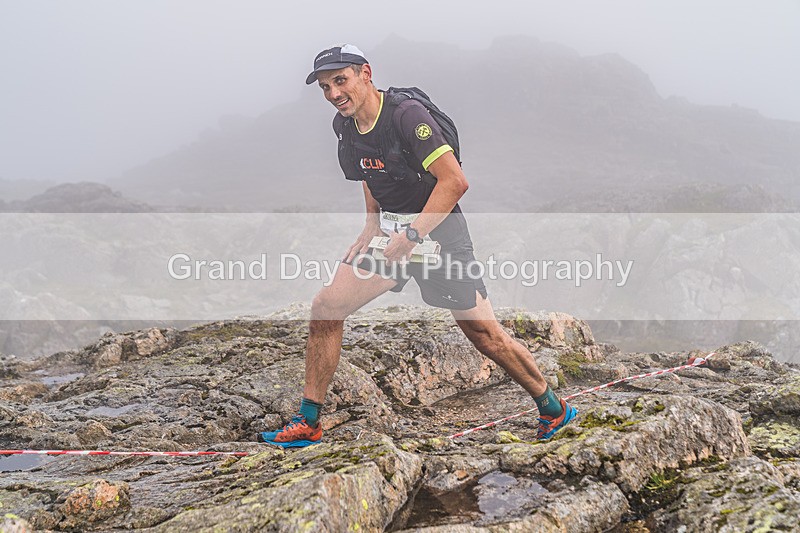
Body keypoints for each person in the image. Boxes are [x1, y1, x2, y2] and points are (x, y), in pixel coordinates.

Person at [259, 44, 577, 447]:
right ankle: (308, 421)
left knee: (485, 335)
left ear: (365, 73)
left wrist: (412, 235)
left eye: (340, 80)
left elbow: (455, 182)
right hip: (392, 237)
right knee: (326, 308)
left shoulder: (406, 116)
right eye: (325, 87)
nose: (334, 93)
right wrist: (371, 224)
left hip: (438, 235)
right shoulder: (346, 126)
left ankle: (553, 408)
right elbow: (369, 172)